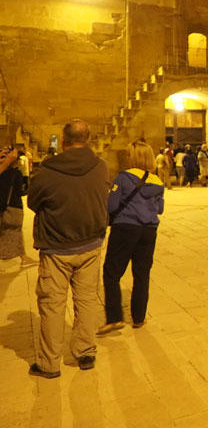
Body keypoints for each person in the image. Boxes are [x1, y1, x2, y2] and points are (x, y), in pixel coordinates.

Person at [27, 120, 109, 378]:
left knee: (52, 304)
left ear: (63, 140)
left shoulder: (47, 171)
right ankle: (85, 352)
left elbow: (33, 201)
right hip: (91, 244)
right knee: (86, 301)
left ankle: (49, 363)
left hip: (57, 247)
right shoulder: (100, 166)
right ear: (89, 139)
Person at [98, 139, 164, 335]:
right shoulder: (157, 181)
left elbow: (111, 206)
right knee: (142, 274)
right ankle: (138, 317)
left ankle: (115, 317)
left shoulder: (123, 177)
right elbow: (160, 209)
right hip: (149, 229)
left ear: (133, 157)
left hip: (126, 227)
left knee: (112, 272)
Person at [0, 147, 37, 268]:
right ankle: (23, 257)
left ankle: (23, 257)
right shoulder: (15, 173)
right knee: (15, 232)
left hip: (6, 207)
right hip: (13, 207)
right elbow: (21, 191)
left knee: (12, 233)